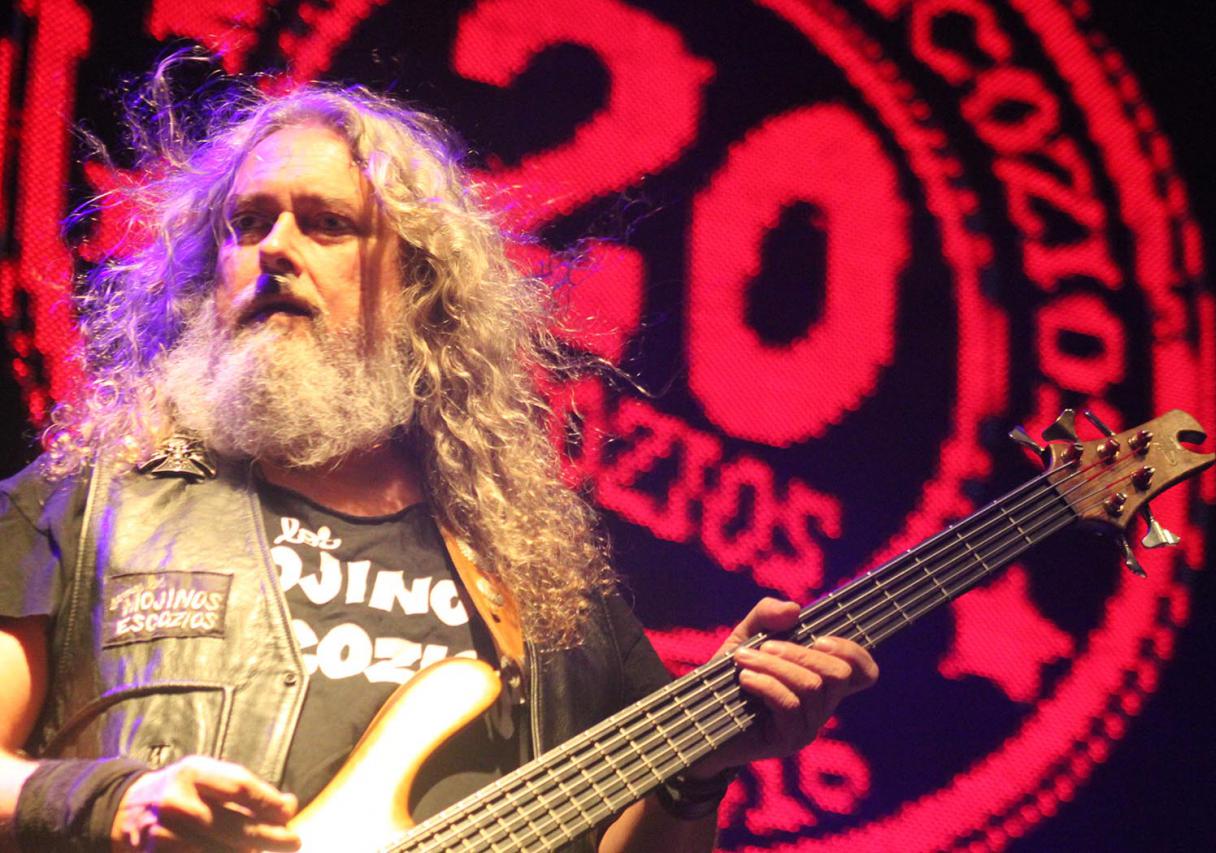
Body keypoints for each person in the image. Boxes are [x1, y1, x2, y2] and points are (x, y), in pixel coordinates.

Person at [0, 75, 877, 852]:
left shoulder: (537, 571)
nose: (274, 247)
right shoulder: (90, 504)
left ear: (419, 287)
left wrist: (696, 773)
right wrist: (113, 801)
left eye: (328, 224)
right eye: (247, 223)